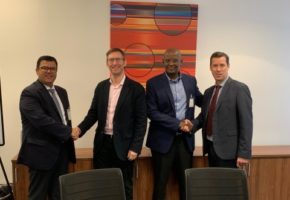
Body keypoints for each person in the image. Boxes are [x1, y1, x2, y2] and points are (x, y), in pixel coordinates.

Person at [72, 48, 147, 200]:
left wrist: (135, 147)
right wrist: (80, 129)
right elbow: (92, 114)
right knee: (101, 184)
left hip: (125, 146)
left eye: (118, 59)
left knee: (124, 185)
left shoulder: (136, 88)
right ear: (107, 63)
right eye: (111, 60)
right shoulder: (101, 87)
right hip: (102, 144)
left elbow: (141, 121)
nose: (115, 63)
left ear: (124, 62)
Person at [146, 48, 203, 200]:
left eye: (175, 60)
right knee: (160, 184)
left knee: (186, 184)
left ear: (181, 62)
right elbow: (152, 112)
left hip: (185, 141)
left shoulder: (191, 81)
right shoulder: (153, 83)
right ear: (163, 61)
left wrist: (196, 123)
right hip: (162, 141)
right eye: (168, 60)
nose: (171, 64)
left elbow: (202, 101)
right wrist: (177, 124)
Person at [17, 55, 76, 200]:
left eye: (53, 69)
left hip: (62, 153)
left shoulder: (62, 92)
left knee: (59, 195)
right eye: (45, 68)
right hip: (40, 155)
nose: (49, 71)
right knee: (38, 196)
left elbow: (65, 117)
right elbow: (41, 120)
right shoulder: (29, 93)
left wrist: (70, 131)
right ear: (37, 70)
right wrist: (69, 132)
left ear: (57, 71)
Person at [193, 51, 253, 168]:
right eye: (215, 66)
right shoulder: (208, 92)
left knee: (227, 186)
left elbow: (246, 123)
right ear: (210, 68)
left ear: (228, 66)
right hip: (210, 149)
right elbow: (204, 116)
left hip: (230, 153)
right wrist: (192, 125)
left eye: (222, 65)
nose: (218, 69)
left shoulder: (239, 89)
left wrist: (244, 154)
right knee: (215, 185)